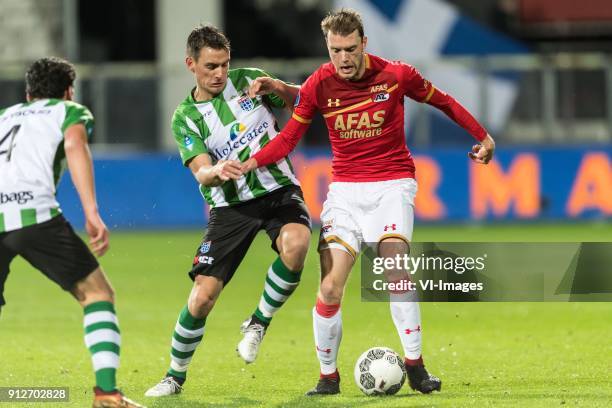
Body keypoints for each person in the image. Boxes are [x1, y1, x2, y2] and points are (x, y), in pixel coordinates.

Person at [241, 9, 496, 396]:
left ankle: (416, 367)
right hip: (344, 191)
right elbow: (289, 138)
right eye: (334, 50)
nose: (342, 58)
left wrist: (483, 136)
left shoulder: (396, 75)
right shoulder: (318, 85)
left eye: (349, 48)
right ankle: (328, 378)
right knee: (329, 289)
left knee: (395, 269)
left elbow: (444, 102)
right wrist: (248, 163)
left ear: (364, 43)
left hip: (393, 185)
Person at [144, 25, 312, 397]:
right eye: (210, 67)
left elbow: (306, 101)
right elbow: (201, 170)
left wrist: (280, 88)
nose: (219, 74)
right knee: (202, 297)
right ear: (190, 64)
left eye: (224, 64)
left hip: (278, 190)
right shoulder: (186, 117)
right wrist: (215, 172)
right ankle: (174, 376)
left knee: (297, 245)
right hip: (230, 207)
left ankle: (257, 323)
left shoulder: (251, 81)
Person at [0, 57, 144, 408]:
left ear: (28, 91)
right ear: (68, 91)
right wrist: (91, 212)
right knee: (97, 294)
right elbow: (75, 146)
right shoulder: (68, 111)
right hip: (34, 214)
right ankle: (107, 395)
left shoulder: (5, 116)